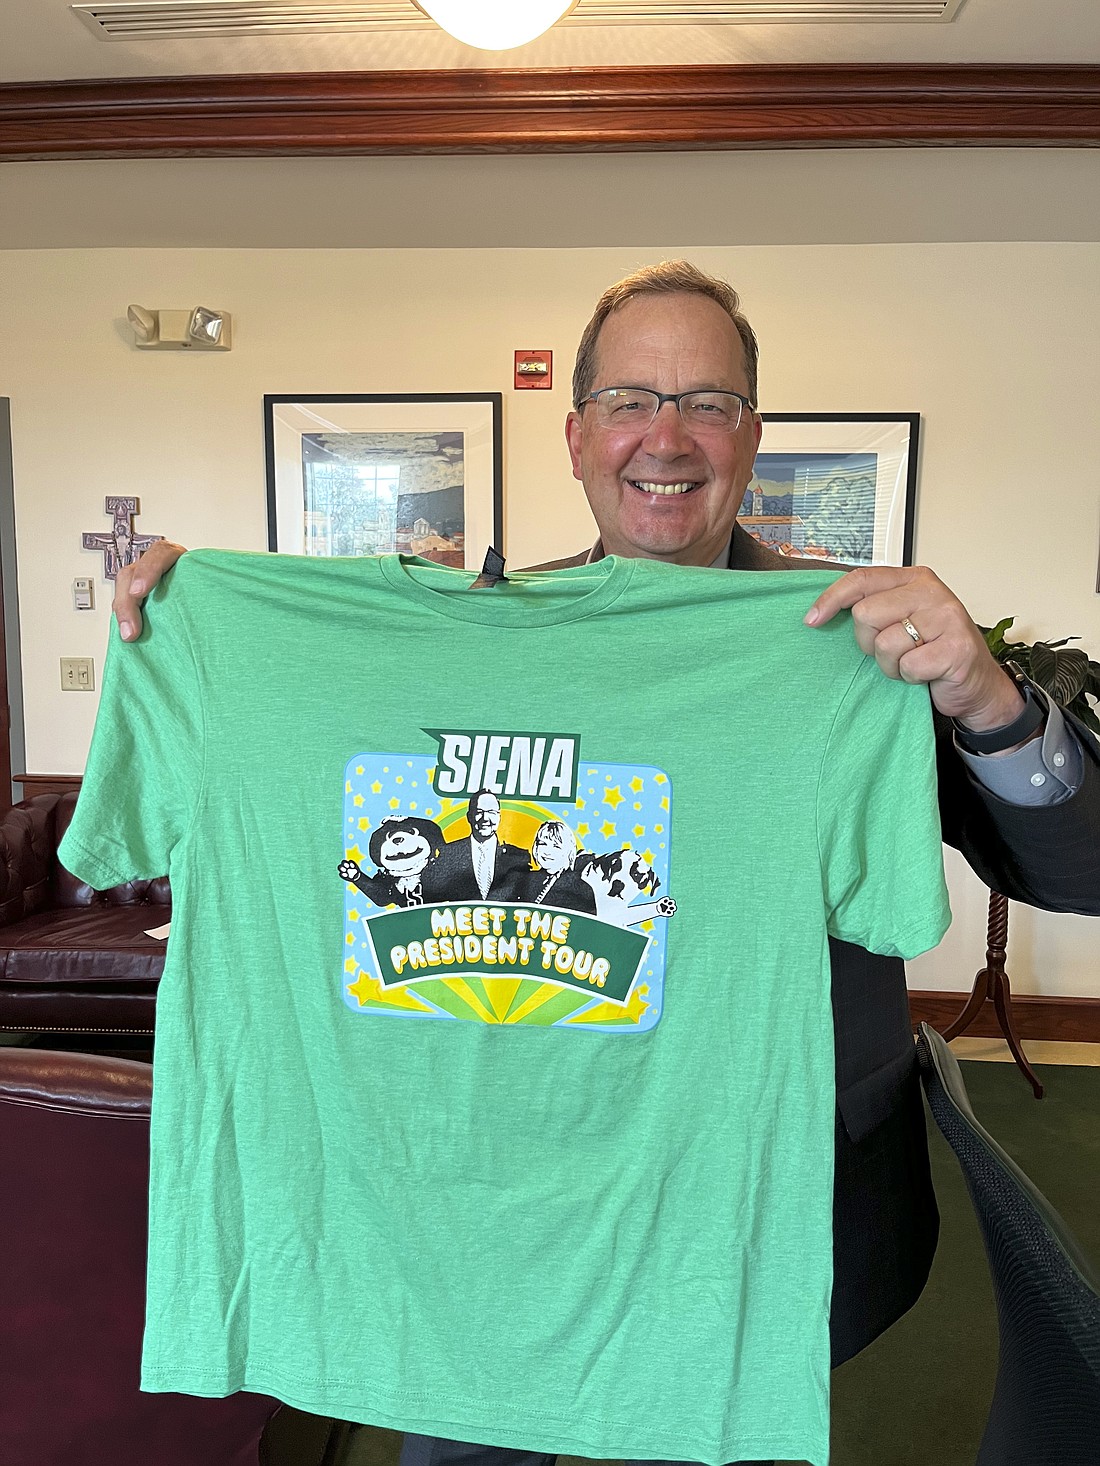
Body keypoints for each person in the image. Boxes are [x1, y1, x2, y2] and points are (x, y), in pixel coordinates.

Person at [111, 260, 1100, 1466]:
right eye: (631, 400)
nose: (666, 437)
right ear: (577, 437)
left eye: (708, 402)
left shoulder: (847, 646)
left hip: (754, 1208)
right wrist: (190, 623)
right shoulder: (478, 641)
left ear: (751, 434)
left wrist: (985, 697)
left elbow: (1079, 875)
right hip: (491, 1200)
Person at [430, 790, 529, 901]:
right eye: (479, 812)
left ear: (499, 817)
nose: (485, 818)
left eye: (491, 812)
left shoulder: (519, 857)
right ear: (469, 817)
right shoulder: (449, 853)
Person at [516, 819, 596, 914]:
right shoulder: (527, 880)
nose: (547, 851)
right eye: (543, 844)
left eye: (556, 846)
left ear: (568, 851)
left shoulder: (581, 886)